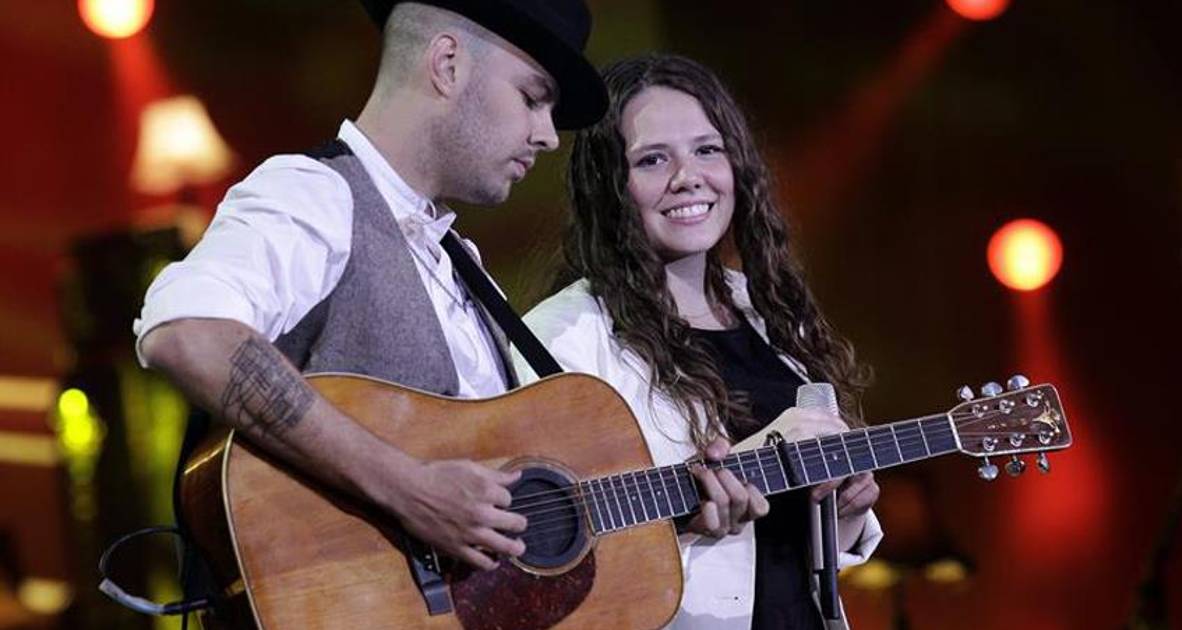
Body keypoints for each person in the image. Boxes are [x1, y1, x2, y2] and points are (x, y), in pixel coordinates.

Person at [133, 0, 606, 572]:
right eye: (532, 98)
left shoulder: (464, 268)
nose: (548, 136)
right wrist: (409, 489)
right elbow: (187, 333)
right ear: (448, 64)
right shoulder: (316, 193)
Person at [519, 54, 883, 629]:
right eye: (653, 159)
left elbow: (782, 555)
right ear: (609, 184)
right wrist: (695, 507)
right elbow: (543, 552)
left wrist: (842, 514)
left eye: (707, 150)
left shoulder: (771, 315)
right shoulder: (563, 339)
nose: (688, 176)